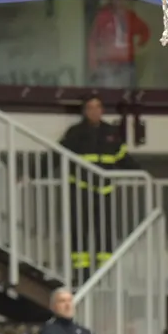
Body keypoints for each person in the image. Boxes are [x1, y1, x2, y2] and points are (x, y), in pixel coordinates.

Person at [59, 95, 138, 280]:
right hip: (81, 190)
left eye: (98, 107)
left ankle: (105, 273)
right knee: (80, 231)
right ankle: (81, 273)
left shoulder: (111, 132)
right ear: (85, 111)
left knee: (106, 232)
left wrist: (144, 175)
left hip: (105, 191)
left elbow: (123, 158)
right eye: (90, 108)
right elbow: (58, 156)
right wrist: (30, 174)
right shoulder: (75, 132)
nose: (95, 111)